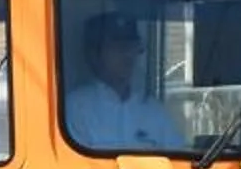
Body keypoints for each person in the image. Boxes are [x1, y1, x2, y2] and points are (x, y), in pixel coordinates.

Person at [64, 12, 186, 151]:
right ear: (95, 54)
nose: (127, 55)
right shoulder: (75, 108)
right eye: (118, 47)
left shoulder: (154, 111)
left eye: (132, 46)